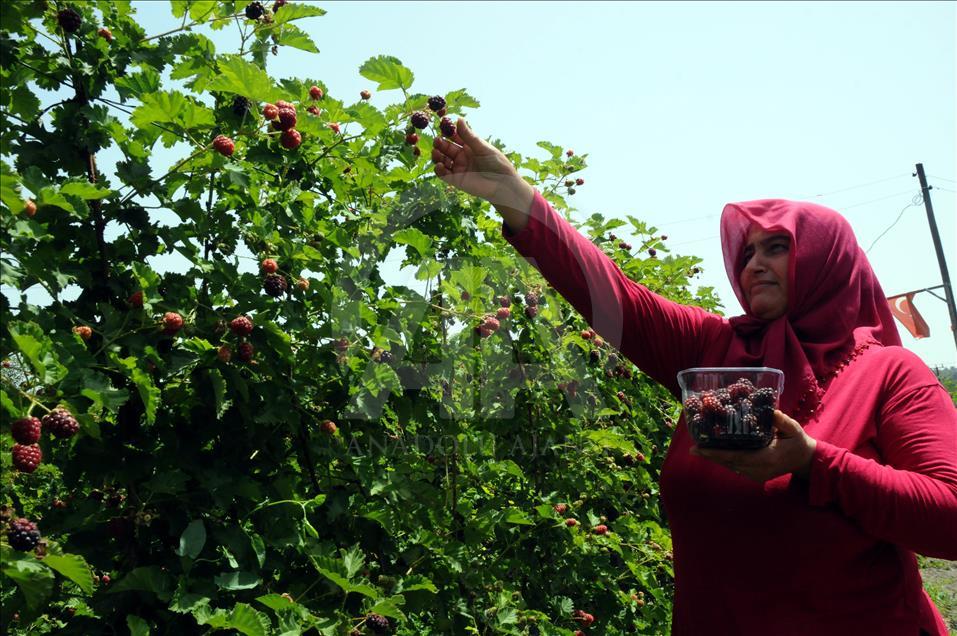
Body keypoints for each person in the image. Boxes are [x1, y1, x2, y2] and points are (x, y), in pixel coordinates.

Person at [431, 118, 957, 635]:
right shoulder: (715, 347)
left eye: (777, 246)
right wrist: (510, 191)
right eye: (746, 251)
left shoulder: (889, 373)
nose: (752, 263)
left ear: (827, 259)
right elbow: (616, 297)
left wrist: (816, 464)